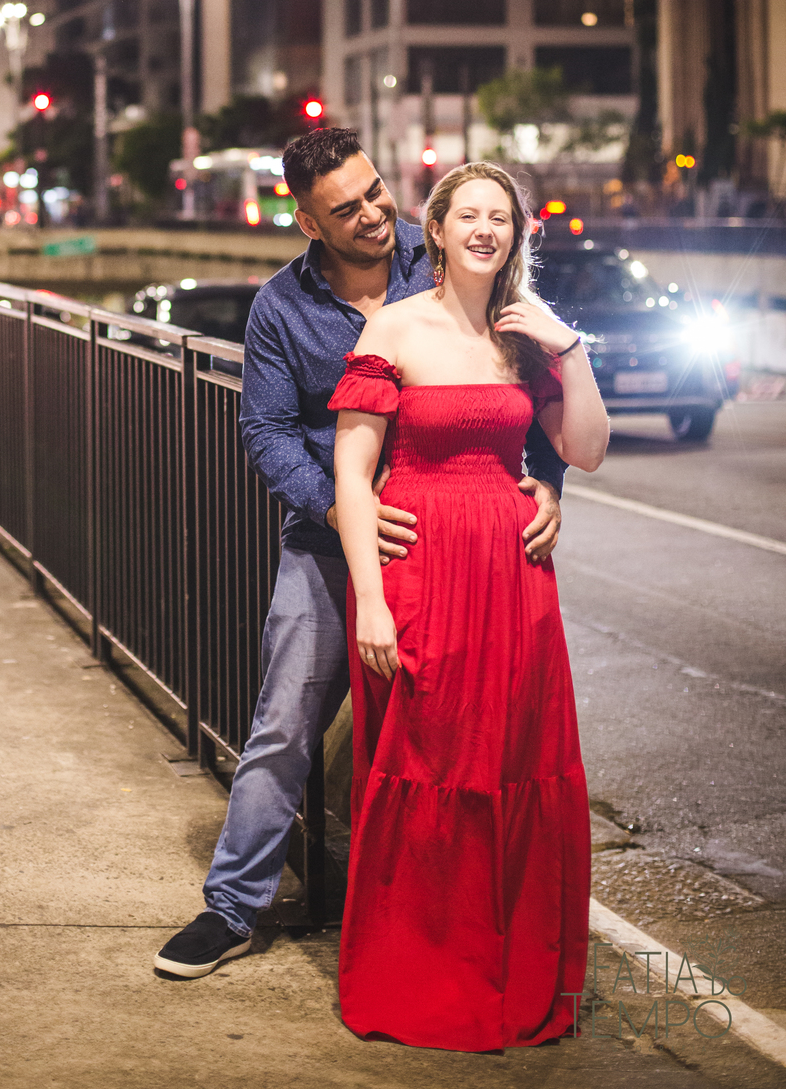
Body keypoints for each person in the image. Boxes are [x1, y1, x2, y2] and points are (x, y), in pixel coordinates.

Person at [153, 131, 566, 981]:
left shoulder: (446, 255)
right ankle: (233, 906)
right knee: (286, 720)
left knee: (452, 739)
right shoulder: (280, 306)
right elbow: (265, 429)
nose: (376, 213)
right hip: (330, 544)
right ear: (307, 221)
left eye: (376, 191)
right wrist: (346, 512)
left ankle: (436, 915)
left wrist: (550, 479)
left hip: (447, 550)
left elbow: (531, 379)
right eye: (347, 208)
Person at [331, 162, 608, 1050]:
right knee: (429, 760)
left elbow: (588, 451)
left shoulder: (527, 338)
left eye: (503, 217)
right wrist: (370, 602)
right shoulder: (396, 325)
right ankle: (422, 970)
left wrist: (570, 351)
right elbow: (351, 471)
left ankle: (510, 965)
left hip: (514, 575)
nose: (487, 229)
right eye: (469, 216)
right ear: (437, 231)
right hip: (420, 572)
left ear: (519, 233)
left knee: (515, 760)